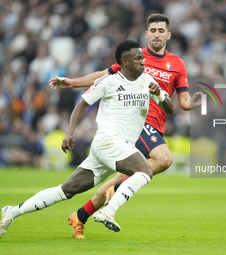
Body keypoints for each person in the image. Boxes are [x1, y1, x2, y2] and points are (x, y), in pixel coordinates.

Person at [49, 13, 202, 239]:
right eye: (153, 30)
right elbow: (103, 75)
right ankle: (112, 202)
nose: (157, 34)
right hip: (135, 123)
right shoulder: (135, 57)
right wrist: (73, 82)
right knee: (164, 159)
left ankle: (80, 216)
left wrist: (196, 103)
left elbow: (184, 102)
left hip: (156, 127)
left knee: (116, 180)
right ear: (146, 34)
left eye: (161, 31)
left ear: (168, 35)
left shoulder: (177, 64)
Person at [0, 40, 173, 238]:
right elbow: (82, 104)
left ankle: (11, 211)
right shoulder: (109, 82)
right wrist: (70, 132)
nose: (143, 61)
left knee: (66, 190)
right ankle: (108, 211)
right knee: (144, 170)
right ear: (125, 62)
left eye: (143, 58)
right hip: (108, 141)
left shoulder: (148, 81)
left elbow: (170, 108)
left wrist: (159, 94)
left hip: (117, 148)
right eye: (138, 58)